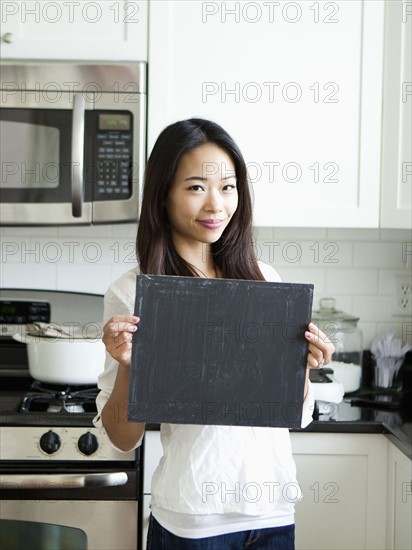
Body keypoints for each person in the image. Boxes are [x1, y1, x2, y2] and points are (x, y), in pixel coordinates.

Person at [93, 118, 334, 549]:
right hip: (192, 520)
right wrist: (126, 364)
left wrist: (304, 367)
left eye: (227, 187)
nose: (216, 206)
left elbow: (293, 415)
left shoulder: (265, 280)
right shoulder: (133, 292)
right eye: (195, 187)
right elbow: (122, 437)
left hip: (273, 512)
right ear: (162, 194)